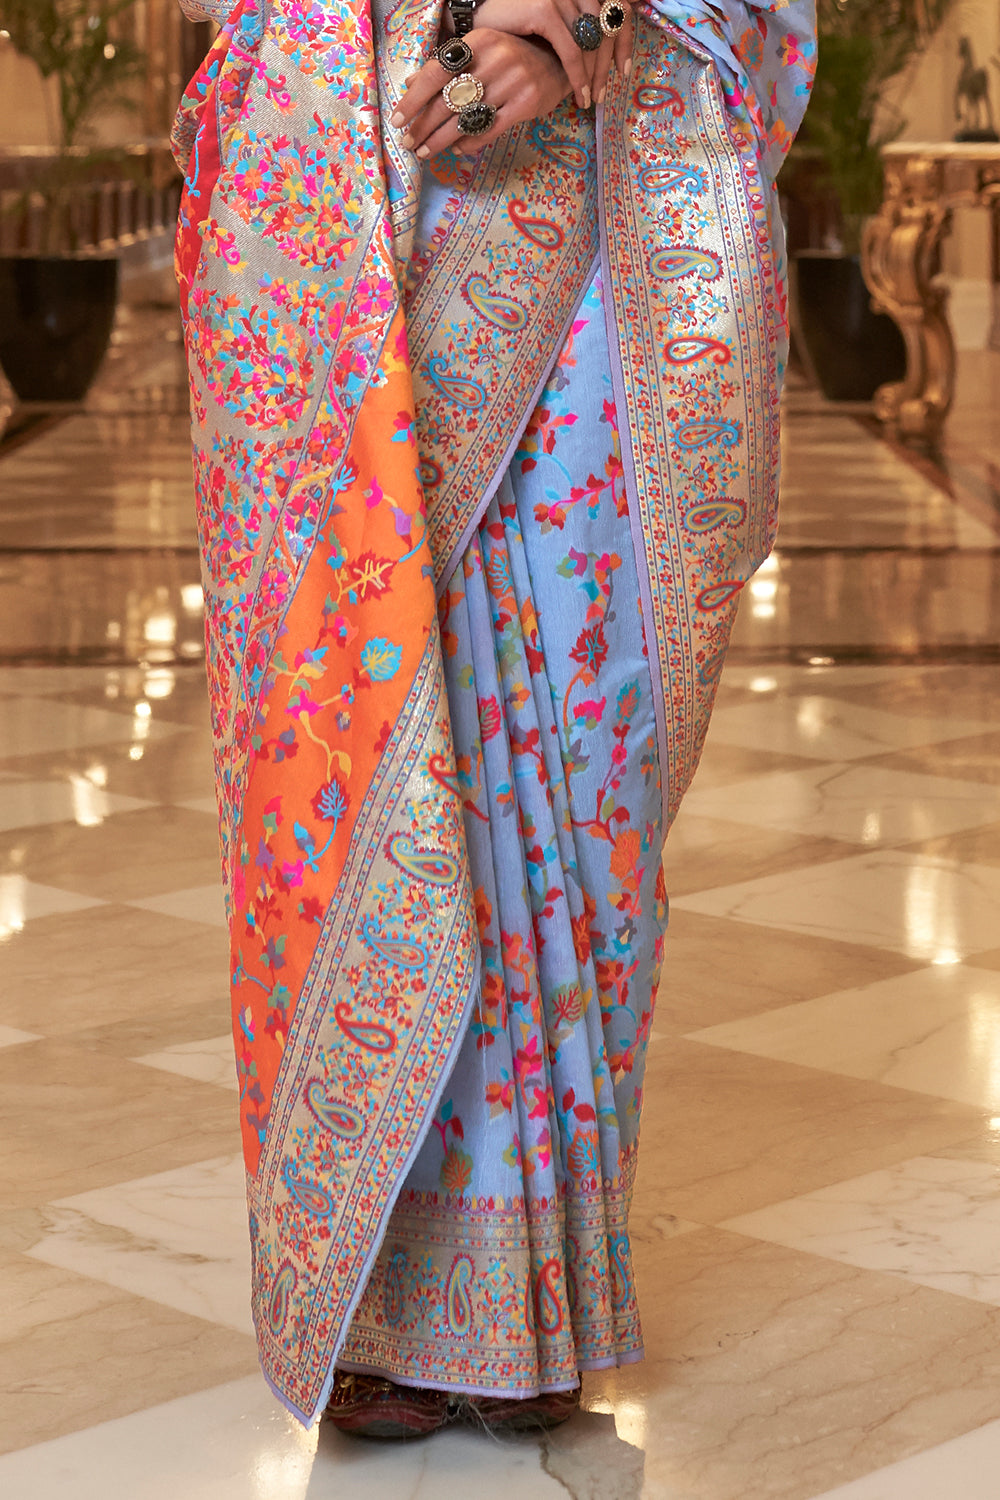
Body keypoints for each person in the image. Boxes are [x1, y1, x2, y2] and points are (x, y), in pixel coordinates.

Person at [172, 0, 815, 1439]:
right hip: (366, 196)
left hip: (602, 201)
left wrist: (578, 18)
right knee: (386, 730)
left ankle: (539, 1297)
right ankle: (392, 1298)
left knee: (583, 755)